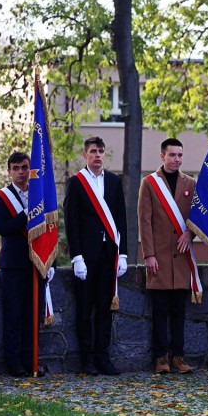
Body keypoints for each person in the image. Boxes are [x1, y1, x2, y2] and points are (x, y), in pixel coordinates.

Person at [64, 136, 126, 376]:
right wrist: (76, 256)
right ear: (85, 155)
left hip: (109, 254)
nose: (98, 155)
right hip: (86, 257)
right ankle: (87, 360)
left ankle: (103, 357)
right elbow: (72, 222)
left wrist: (124, 254)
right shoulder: (76, 182)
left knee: (104, 308)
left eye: (101, 151)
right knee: (84, 308)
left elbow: (121, 217)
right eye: (93, 151)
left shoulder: (113, 181)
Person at [138, 138, 199, 374]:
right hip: (159, 258)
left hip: (182, 257)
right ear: (162, 156)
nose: (177, 159)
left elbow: (198, 216)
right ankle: (161, 358)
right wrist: (149, 255)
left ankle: (178, 357)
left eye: (180, 155)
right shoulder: (150, 183)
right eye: (172, 155)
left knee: (179, 310)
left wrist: (190, 233)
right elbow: (144, 221)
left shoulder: (190, 183)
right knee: (160, 309)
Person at [0, 151, 54, 377]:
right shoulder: (1, 196)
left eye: (24, 167)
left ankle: (31, 360)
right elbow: (3, 228)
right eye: (16, 168)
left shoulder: (40, 194)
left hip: (37, 263)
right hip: (13, 265)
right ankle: (13, 362)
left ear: (31, 169)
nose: (20, 172)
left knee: (33, 315)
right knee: (14, 315)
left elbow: (49, 229)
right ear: (9, 171)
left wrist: (50, 260)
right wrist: (28, 213)